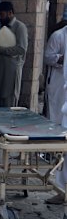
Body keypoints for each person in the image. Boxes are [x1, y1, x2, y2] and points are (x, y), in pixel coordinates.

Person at [44, 13, 67, 205]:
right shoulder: (59, 36)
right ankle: (61, 190)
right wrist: (62, 58)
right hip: (60, 88)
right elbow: (49, 57)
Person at [0, 1, 28, 107]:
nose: (0, 18)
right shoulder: (4, 27)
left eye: (2, 15)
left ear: (10, 13)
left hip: (11, 73)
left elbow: (21, 49)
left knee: (9, 105)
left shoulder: (20, 27)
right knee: (0, 104)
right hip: (0, 72)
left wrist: (2, 50)